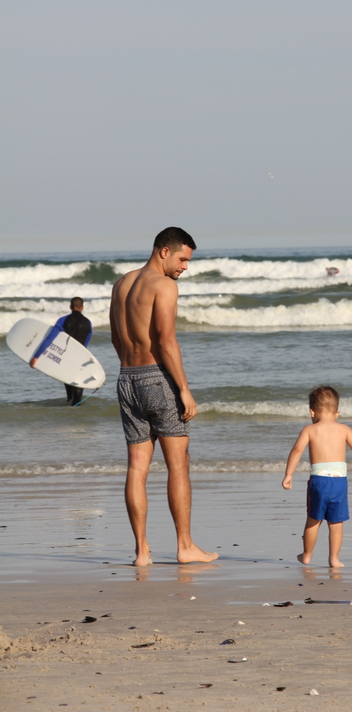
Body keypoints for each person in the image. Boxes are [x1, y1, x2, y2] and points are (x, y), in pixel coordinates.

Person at [109, 226, 218, 567]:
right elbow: (166, 340)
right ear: (164, 251)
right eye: (183, 260)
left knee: (136, 467)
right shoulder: (164, 285)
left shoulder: (122, 284)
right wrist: (183, 389)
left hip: (126, 378)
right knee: (178, 464)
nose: (185, 267)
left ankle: (142, 552)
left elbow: (115, 338)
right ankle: (185, 546)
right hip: (157, 378)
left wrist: (133, 372)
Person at [282, 386, 352, 567]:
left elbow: (296, 451)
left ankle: (307, 555)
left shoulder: (309, 430)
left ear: (312, 411)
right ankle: (334, 558)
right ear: (337, 413)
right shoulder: (344, 429)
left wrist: (289, 474)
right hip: (339, 482)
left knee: (313, 520)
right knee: (336, 523)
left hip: (319, 482)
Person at [30, 297, 92, 406]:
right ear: (82, 308)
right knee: (77, 399)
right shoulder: (88, 323)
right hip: (80, 361)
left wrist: (36, 357)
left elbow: (49, 340)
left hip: (66, 360)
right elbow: (85, 345)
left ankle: (69, 412)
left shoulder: (62, 320)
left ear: (70, 307)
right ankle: (78, 413)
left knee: (70, 397)